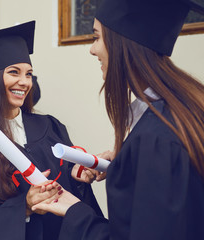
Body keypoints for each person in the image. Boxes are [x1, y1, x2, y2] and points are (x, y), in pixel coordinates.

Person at [31, 0, 204, 239]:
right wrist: (126, 164)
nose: (92, 49)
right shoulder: (187, 108)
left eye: (96, 37)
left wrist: (74, 212)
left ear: (123, 44)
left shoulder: (157, 138)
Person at [0, 21, 102, 240]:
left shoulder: (51, 127)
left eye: (29, 74)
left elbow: (72, 193)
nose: (24, 82)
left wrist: (79, 177)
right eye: (14, 72)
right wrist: (24, 207)